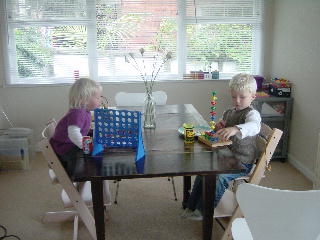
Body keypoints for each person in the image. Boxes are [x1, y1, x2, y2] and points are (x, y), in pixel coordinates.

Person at [182, 73, 261, 221]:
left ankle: (204, 210)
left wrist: (236, 129)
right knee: (203, 171)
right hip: (226, 157)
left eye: (242, 97)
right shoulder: (229, 112)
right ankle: (191, 206)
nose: (237, 101)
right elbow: (220, 130)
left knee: (218, 177)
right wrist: (219, 126)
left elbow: (254, 127)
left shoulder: (252, 114)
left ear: (253, 97)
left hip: (242, 162)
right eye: (234, 96)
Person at [50, 78, 103, 176]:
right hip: (65, 148)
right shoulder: (78, 113)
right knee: (89, 158)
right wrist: (86, 147)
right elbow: (74, 134)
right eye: (97, 98)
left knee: (94, 150)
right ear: (84, 100)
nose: (100, 100)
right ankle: (77, 177)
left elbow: (81, 128)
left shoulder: (84, 111)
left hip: (68, 144)